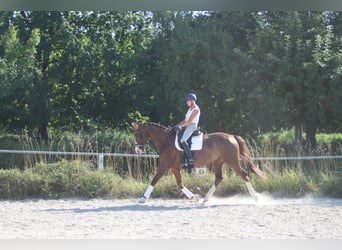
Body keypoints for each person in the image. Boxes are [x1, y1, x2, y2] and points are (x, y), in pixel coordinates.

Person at [174, 93, 201, 167]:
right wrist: (178, 125)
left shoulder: (196, 109)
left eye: (187, 101)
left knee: (183, 140)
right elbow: (185, 120)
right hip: (187, 125)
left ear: (192, 101)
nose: (186, 103)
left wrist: (181, 126)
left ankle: (190, 158)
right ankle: (183, 157)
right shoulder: (190, 109)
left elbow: (189, 121)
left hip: (192, 126)